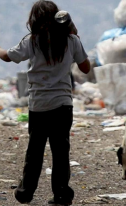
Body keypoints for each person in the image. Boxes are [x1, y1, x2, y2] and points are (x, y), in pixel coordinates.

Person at [0, 0, 90, 205]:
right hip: (62, 104)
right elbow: (85, 68)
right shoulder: (71, 40)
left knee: (35, 151)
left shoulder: (32, 40)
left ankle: (25, 192)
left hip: (39, 105)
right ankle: (61, 195)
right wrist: (75, 33)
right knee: (60, 152)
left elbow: (8, 57)